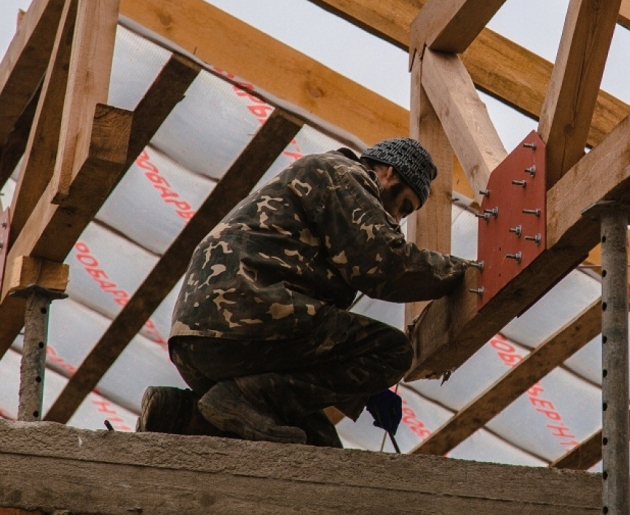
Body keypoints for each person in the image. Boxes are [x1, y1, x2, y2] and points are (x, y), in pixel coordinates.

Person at [136, 137, 470, 447]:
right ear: (389, 172)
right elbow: (385, 264)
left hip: (205, 342)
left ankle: (179, 414)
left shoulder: (324, 182)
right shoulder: (344, 174)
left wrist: (364, 392)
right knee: (392, 351)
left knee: (316, 444)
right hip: (244, 316)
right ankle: (243, 397)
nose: (396, 219)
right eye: (403, 206)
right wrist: (464, 272)